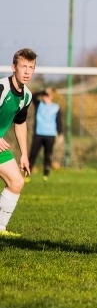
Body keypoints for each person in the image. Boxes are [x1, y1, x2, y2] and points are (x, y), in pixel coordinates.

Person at [0, 48, 37, 238]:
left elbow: (20, 123)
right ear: (13, 67)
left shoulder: (27, 96)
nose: (27, 71)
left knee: (16, 182)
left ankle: (0, 228)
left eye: (31, 67)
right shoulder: (1, 87)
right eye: (23, 66)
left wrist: (24, 154)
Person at [28, 88, 63, 182]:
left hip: (50, 135)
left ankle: (45, 175)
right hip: (38, 133)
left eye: (47, 95)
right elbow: (33, 95)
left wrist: (60, 134)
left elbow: (59, 122)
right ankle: (27, 174)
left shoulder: (56, 107)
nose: (45, 97)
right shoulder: (39, 104)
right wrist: (43, 91)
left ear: (52, 96)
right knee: (33, 154)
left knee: (48, 155)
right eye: (44, 95)